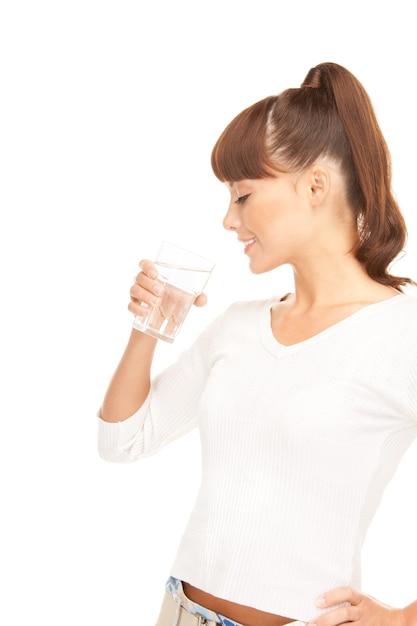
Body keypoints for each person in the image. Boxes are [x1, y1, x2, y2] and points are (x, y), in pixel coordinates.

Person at [97, 62, 417, 626]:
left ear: (315, 185)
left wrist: (402, 618)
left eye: (242, 196)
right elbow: (123, 441)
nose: (228, 218)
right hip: (177, 610)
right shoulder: (238, 326)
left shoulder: (401, 332)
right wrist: (148, 327)